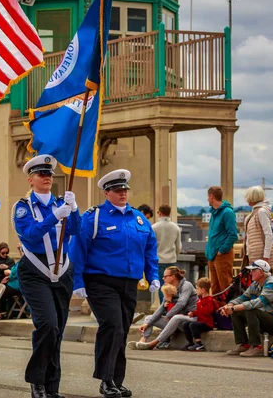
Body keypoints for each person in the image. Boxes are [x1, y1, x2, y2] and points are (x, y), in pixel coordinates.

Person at [70, 169, 159, 398]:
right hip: (100, 281)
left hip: (129, 283)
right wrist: (77, 280)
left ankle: (116, 380)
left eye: (125, 190)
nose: (123, 193)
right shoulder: (94, 217)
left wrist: (153, 275)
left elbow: (149, 249)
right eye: (118, 190)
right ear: (107, 193)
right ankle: (106, 379)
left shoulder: (138, 218)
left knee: (121, 331)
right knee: (112, 326)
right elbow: (78, 249)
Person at [13, 154, 80, 398]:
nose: (47, 178)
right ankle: (37, 382)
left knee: (58, 330)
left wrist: (73, 211)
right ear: (30, 180)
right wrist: (56, 215)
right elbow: (30, 234)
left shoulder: (61, 202)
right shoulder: (23, 207)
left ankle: (52, 386)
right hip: (35, 270)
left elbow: (75, 231)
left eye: (49, 174)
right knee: (48, 325)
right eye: (41, 174)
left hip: (62, 270)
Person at [221, 260, 273, 357]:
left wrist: (233, 308)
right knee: (236, 312)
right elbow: (243, 298)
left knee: (250, 310)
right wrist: (229, 305)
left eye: (253, 270)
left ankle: (257, 347)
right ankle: (244, 344)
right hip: (265, 319)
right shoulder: (255, 284)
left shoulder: (271, 284)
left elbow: (258, 303)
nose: (250, 272)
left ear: (261, 272)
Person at [129, 266, 196, 351]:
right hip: (173, 321)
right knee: (149, 318)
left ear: (173, 277)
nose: (163, 278)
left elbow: (181, 303)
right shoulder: (167, 287)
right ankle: (142, 341)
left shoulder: (186, 286)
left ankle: (153, 343)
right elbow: (161, 308)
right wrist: (148, 324)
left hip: (190, 318)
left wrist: (169, 315)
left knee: (176, 317)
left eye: (165, 276)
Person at [204, 186, 238, 297]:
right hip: (213, 255)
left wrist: (222, 250)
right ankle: (218, 312)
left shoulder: (227, 212)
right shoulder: (215, 213)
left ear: (211, 196)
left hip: (221, 255)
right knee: (215, 288)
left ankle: (228, 312)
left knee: (225, 286)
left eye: (208, 197)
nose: (207, 199)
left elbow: (233, 234)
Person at [243, 186, 273, 271]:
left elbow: (269, 234)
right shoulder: (256, 213)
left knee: (263, 281)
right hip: (255, 255)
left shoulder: (261, 212)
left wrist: (266, 256)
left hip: (260, 256)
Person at [152, 204, 182, 303]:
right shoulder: (176, 227)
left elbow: (151, 246)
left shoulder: (154, 227)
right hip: (172, 260)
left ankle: (164, 307)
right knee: (173, 286)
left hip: (159, 260)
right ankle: (172, 306)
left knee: (162, 286)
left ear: (160, 213)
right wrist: (175, 255)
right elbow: (178, 246)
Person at [180, 277, 218, 351]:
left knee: (193, 325)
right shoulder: (200, 299)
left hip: (208, 323)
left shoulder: (209, 300)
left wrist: (199, 309)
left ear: (203, 290)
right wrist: (193, 313)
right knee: (185, 324)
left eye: (197, 288)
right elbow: (199, 311)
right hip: (200, 320)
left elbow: (208, 311)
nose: (196, 290)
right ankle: (190, 342)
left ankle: (199, 344)